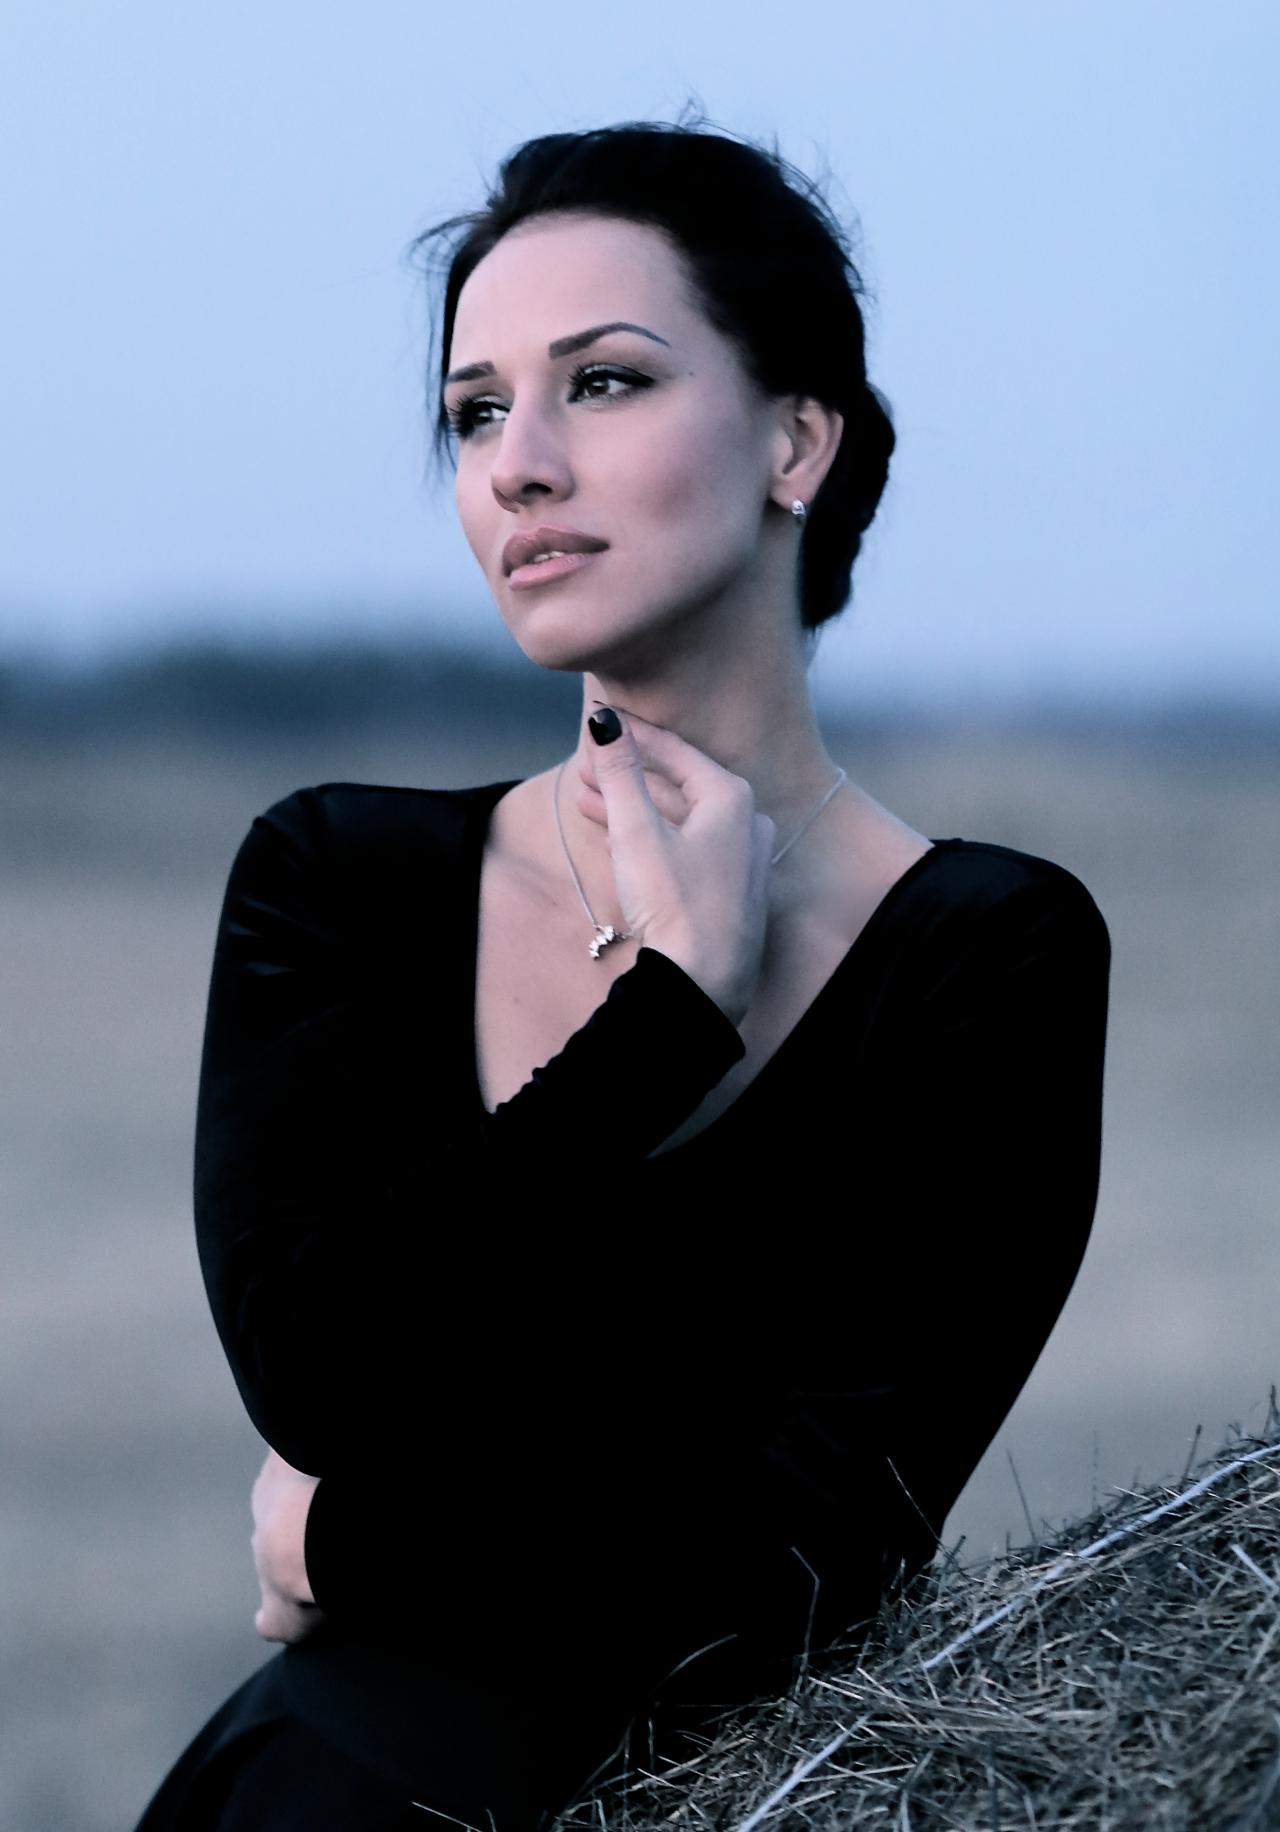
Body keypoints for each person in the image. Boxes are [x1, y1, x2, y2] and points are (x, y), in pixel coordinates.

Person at [132, 114, 1111, 1832]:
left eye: (602, 382)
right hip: (314, 1799)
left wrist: (343, 1536)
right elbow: (322, 1372)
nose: (518, 464)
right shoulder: (339, 879)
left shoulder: (989, 954)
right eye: (474, 411)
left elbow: (800, 1560)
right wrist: (664, 1018)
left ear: (796, 439)